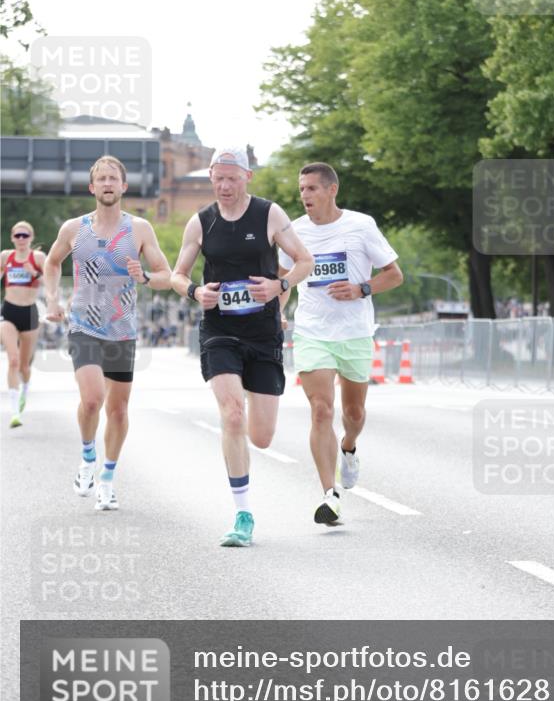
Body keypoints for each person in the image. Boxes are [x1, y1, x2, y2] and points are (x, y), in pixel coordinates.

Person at [171, 146, 313, 547]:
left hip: (263, 332)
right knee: (232, 415)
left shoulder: (270, 214)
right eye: (219, 177)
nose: (225, 185)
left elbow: (305, 261)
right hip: (219, 330)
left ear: (247, 177)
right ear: (211, 177)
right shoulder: (201, 223)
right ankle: (243, 514)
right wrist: (196, 291)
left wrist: (280, 285)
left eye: (233, 177)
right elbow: (177, 275)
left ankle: (250, 402)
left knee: (263, 436)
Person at [43, 156, 172, 511]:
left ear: (124, 186)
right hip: (84, 324)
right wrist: (53, 299)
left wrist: (144, 275)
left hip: (122, 329)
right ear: (92, 188)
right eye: (101, 179)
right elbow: (52, 262)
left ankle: (108, 478)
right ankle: (88, 457)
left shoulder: (140, 229)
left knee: (117, 410)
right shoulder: (74, 228)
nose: (107, 184)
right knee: (92, 399)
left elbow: (166, 275)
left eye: (113, 178)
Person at [279, 162, 403, 526]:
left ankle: (348, 446)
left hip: (354, 332)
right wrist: (277, 310)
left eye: (312, 189)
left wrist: (361, 288)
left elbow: (394, 275)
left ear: (332, 190)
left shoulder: (361, 226)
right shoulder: (294, 232)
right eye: (302, 190)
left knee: (354, 415)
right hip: (312, 331)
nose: (305, 196)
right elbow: (282, 280)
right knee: (320, 409)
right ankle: (329, 494)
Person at [1, 221, 45, 428]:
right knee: (13, 361)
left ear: (31, 238)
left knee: (25, 366)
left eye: (24, 235)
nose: (21, 239)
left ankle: (24, 389)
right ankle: (14, 412)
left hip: (29, 313)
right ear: (12, 238)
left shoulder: (38, 258)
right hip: (8, 311)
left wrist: (33, 273)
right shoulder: (5, 256)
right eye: (17, 235)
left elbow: (49, 281)